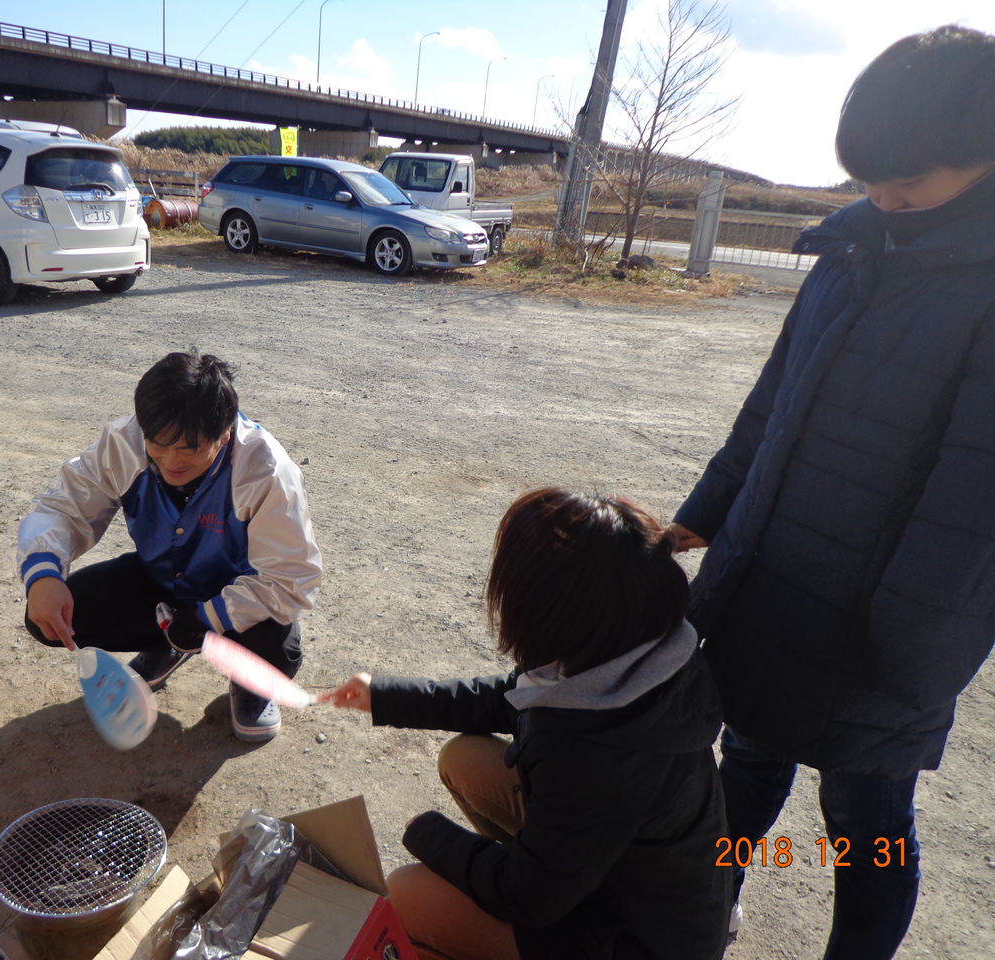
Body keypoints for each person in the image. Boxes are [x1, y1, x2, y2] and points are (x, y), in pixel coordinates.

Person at [667, 26, 995, 959]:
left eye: (910, 180)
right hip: (771, 587)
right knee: (743, 767)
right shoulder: (851, 249)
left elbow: (975, 506)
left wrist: (905, 655)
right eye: (869, 179)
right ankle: (702, 914)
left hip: (881, 632)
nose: (885, 198)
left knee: (867, 820)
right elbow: (772, 406)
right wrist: (705, 514)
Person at [323, 489, 731, 960]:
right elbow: (515, 696)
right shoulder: (639, 646)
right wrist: (385, 697)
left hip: (633, 940)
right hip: (627, 878)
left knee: (409, 894)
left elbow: (528, 898)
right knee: (464, 759)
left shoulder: (590, 753)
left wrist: (425, 831)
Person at [17, 350, 322, 742]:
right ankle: (168, 644)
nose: (170, 461)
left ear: (225, 433)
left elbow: (289, 579)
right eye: (157, 445)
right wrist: (43, 574)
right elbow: (64, 507)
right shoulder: (124, 441)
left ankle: (251, 684)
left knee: (277, 656)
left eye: (189, 449)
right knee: (51, 617)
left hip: (240, 593)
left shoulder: (266, 470)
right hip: (160, 579)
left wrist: (205, 619)